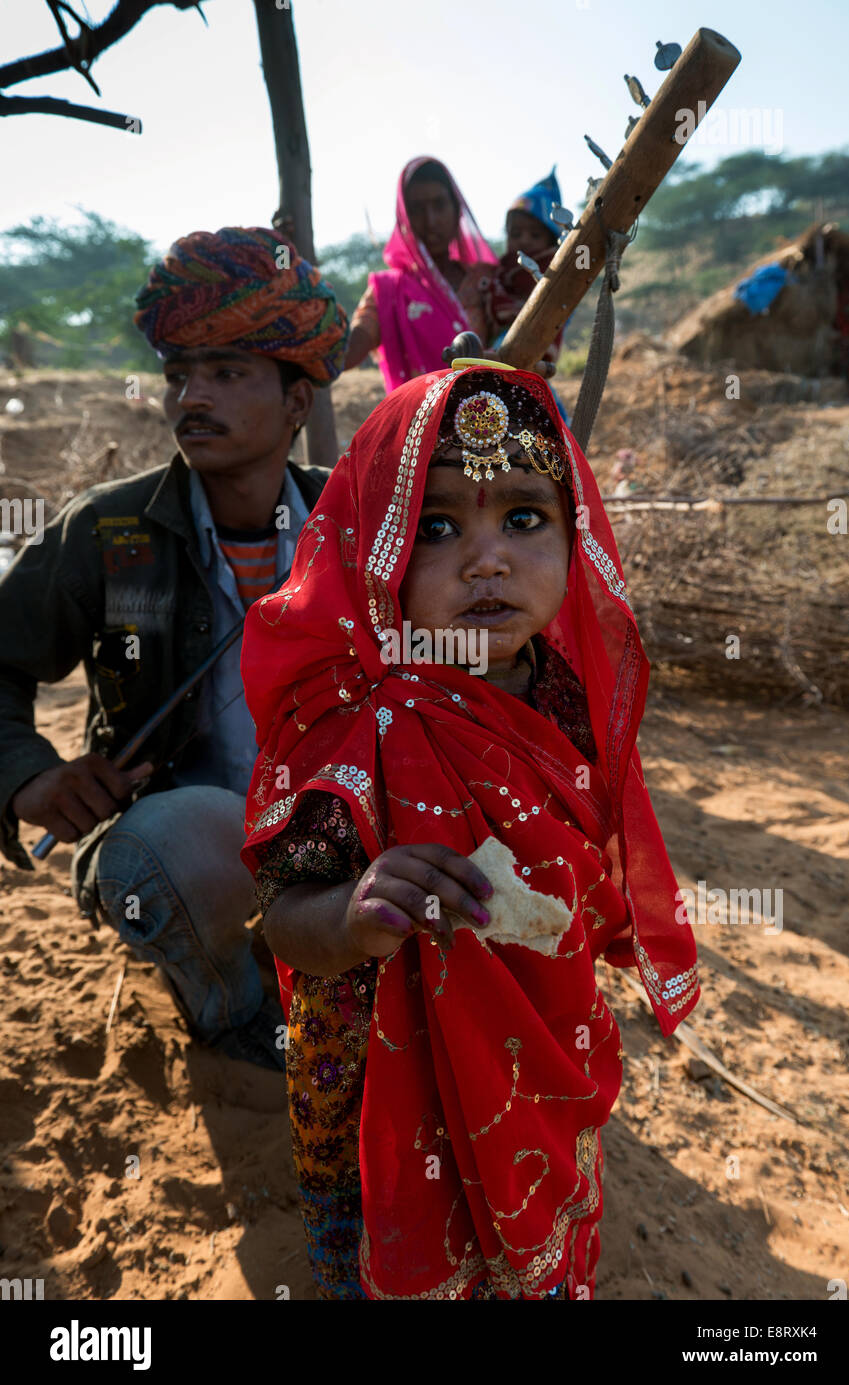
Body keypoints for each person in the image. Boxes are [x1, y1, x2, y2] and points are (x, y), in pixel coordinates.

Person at [240, 361, 700, 1297]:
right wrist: (355, 915)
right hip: (377, 1080)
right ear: (374, 547)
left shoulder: (569, 700)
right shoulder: (351, 720)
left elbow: (582, 867)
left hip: (541, 1043)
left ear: (577, 537)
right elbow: (285, 919)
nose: (485, 560)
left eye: (524, 518)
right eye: (436, 526)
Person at [0, 227, 348, 1071]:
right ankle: (234, 1008)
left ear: (297, 404)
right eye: (178, 375)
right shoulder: (108, 530)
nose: (192, 397)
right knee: (159, 852)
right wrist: (32, 776)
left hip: (343, 822)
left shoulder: (358, 529)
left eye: (227, 374)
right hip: (202, 835)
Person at [344, 157, 498, 390]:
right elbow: (346, 354)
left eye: (439, 205)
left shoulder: (485, 281)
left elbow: (521, 346)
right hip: (420, 422)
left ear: (457, 210)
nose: (430, 220)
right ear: (404, 219)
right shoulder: (387, 292)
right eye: (417, 210)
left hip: (488, 418)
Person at [483, 169, 564, 355]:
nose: (524, 240)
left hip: (535, 349)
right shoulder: (500, 271)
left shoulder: (551, 268)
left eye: (535, 235)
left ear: (551, 240)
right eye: (516, 234)